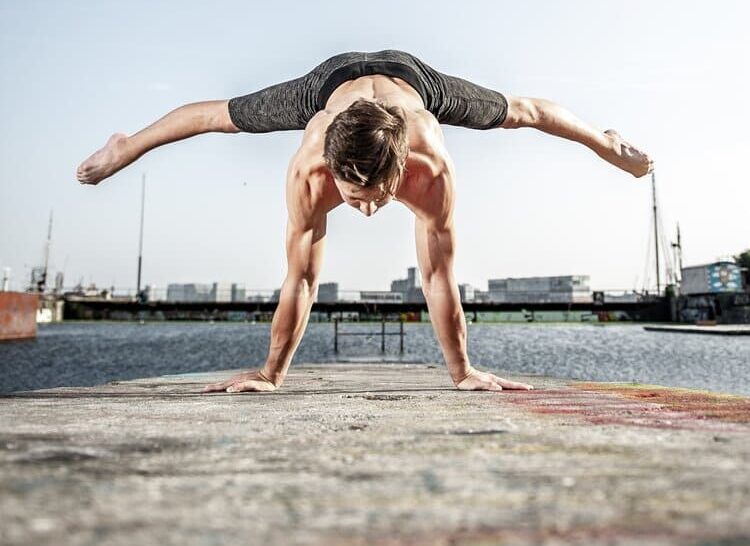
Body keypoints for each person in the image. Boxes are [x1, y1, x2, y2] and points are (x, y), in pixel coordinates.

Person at [77, 50, 652, 393]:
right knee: (221, 119)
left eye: (379, 195)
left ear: (402, 170)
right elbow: (300, 277)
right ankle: (126, 145)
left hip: (411, 80)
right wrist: (270, 374)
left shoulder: (430, 168)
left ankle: (604, 140)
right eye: (355, 198)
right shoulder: (309, 170)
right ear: (331, 172)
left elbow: (437, 275)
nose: (371, 209)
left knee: (520, 113)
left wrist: (463, 372)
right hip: (330, 85)